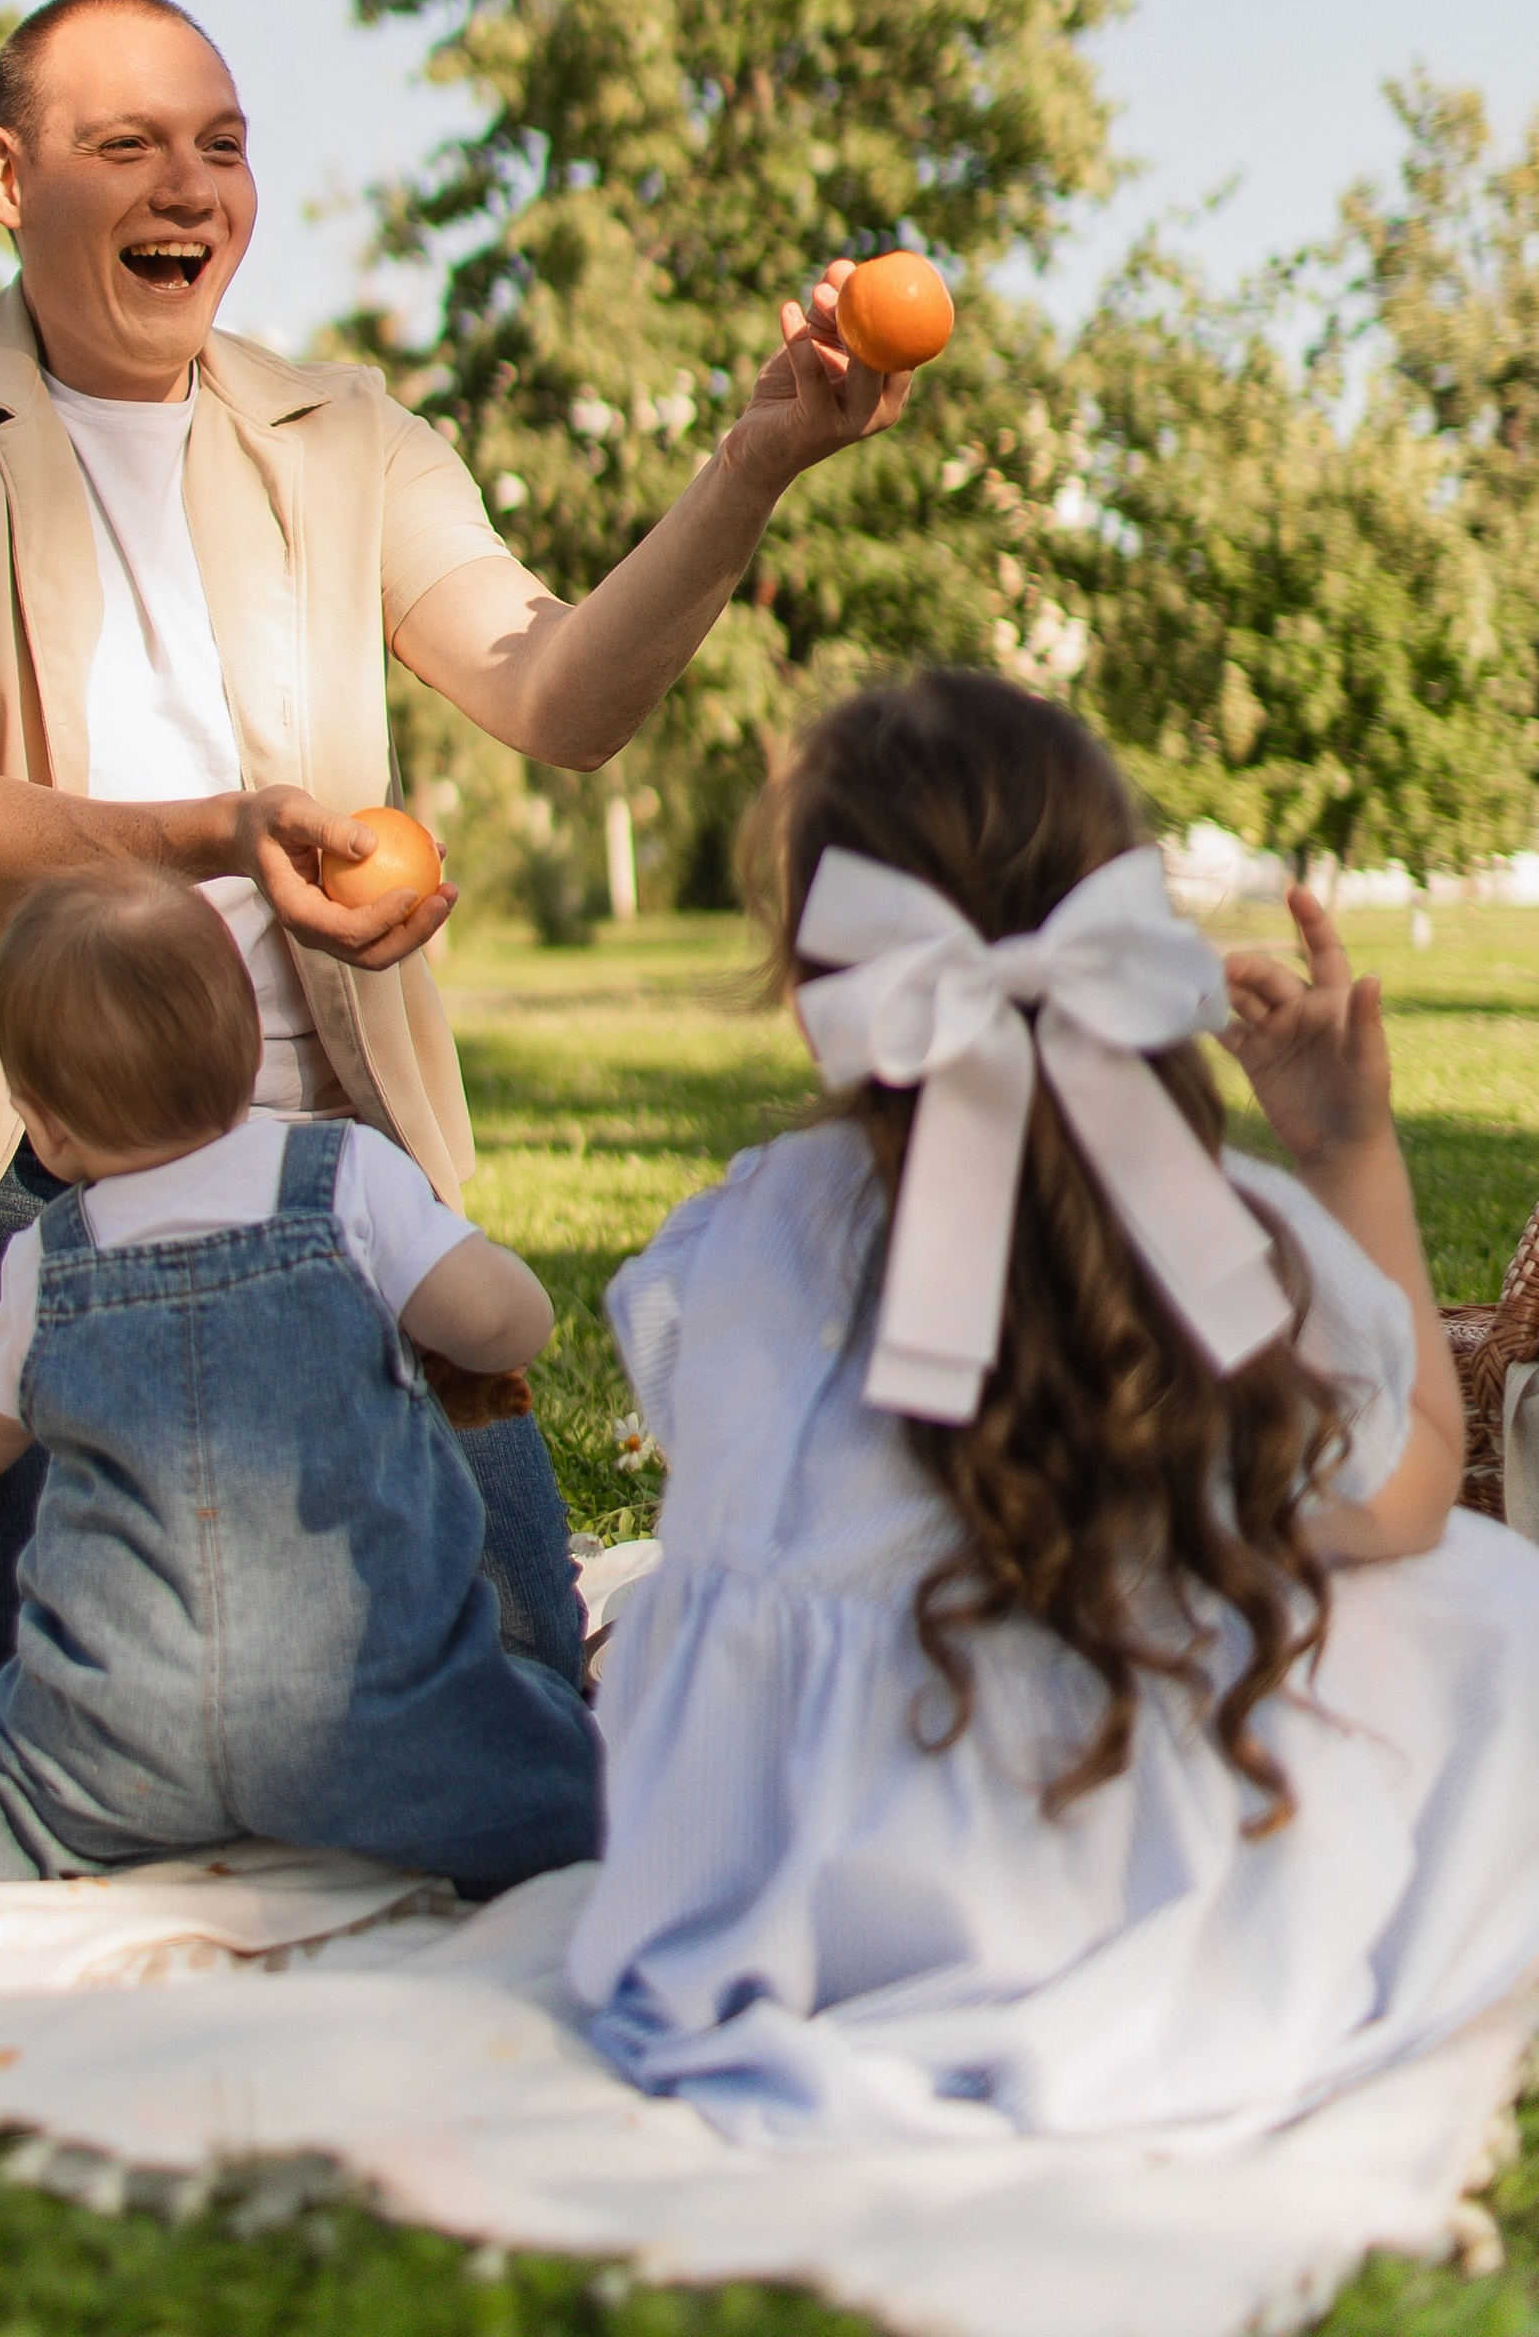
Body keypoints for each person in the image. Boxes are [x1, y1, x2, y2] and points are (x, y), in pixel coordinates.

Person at [0, 0, 913, 1750]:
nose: (191, 190)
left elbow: (555, 693)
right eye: (129, 149)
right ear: (8, 179)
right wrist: (222, 835)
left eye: (223, 148)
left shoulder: (348, 440)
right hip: (15, 1153)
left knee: (497, 1666)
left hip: (310, 1145)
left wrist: (757, 463)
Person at [571, 668, 1539, 2145]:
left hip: (785, 1889)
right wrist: (1347, 1146)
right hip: (1123, 1866)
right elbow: (1409, 1494)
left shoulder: (744, 1238)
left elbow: (730, 1507)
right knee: (1480, 1594)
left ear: (814, 970)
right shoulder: (1204, 1234)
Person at [0, 864, 601, 1899]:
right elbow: (504, 1322)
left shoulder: (47, 1262)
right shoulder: (346, 1179)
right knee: (564, 1773)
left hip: (113, 1727)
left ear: (43, 1126)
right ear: (246, 1057)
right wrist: (477, 1321)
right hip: (374, 1712)